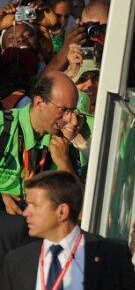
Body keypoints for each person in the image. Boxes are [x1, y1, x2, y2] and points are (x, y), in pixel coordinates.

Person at [0, 171, 135, 290]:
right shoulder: (16, 262)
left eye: (35, 206)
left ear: (62, 211)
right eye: (27, 205)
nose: (26, 212)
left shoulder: (111, 256)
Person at [0, 72, 78, 215]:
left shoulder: (59, 145)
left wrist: (64, 163)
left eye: (72, 111)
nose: (70, 119)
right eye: (64, 110)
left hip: (31, 227)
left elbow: (78, 210)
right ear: (39, 103)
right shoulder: (3, 127)